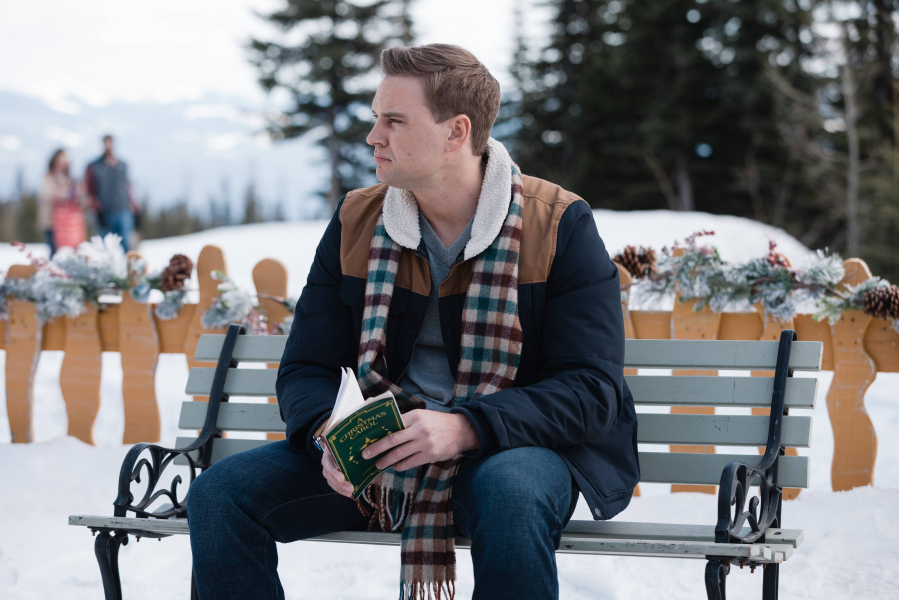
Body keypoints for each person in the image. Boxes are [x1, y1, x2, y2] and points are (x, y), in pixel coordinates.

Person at [187, 44, 638, 600]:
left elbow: (591, 389)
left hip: (506, 450)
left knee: (512, 496)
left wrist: (466, 427)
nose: (373, 136)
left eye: (394, 121)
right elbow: (306, 365)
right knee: (220, 495)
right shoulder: (356, 220)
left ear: (456, 132)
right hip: (379, 454)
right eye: (376, 117)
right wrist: (329, 437)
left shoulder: (560, 225)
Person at [84, 135, 140, 251]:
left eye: (110, 143)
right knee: (106, 249)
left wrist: (136, 207)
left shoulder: (122, 165)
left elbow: (128, 187)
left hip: (123, 210)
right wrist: (96, 210)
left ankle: (127, 263)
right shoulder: (94, 167)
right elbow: (89, 190)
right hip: (104, 214)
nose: (108, 146)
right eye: (106, 143)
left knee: (126, 246)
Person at [39, 148, 85, 255]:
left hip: (68, 224)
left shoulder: (70, 178)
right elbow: (45, 195)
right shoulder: (48, 176)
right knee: (54, 252)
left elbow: (79, 197)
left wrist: (79, 194)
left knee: (70, 252)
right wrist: (60, 193)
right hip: (51, 222)